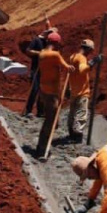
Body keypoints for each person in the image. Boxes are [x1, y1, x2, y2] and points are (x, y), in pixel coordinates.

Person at [34, 31, 73, 159]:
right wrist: (70, 67)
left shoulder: (42, 54)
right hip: (52, 93)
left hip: (44, 90)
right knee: (50, 121)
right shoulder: (55, 55)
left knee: (52, 119)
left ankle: (43, 145)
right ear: (56, 43)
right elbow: (67, 67)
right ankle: (42, 150)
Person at [66, 38, 101, 141]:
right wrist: (92, 62)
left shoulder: (72, 57)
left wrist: (68, 87)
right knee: (81, 113)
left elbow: (71, 73)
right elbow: (82, 70)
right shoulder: (81, 58)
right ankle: (77, 135)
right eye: (90, 51)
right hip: (82, 91)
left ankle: (71, 132)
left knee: (72, 113)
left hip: (73, 90)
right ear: (88, 49)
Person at [23, 28, 55, 117]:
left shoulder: (48, 43)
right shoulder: (36, 40)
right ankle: (28, 111)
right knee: (34, 89)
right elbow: (28, 51)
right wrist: (39, 53)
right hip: (36, 69)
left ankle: (40, 111)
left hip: (45, 70)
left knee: (43, 91)